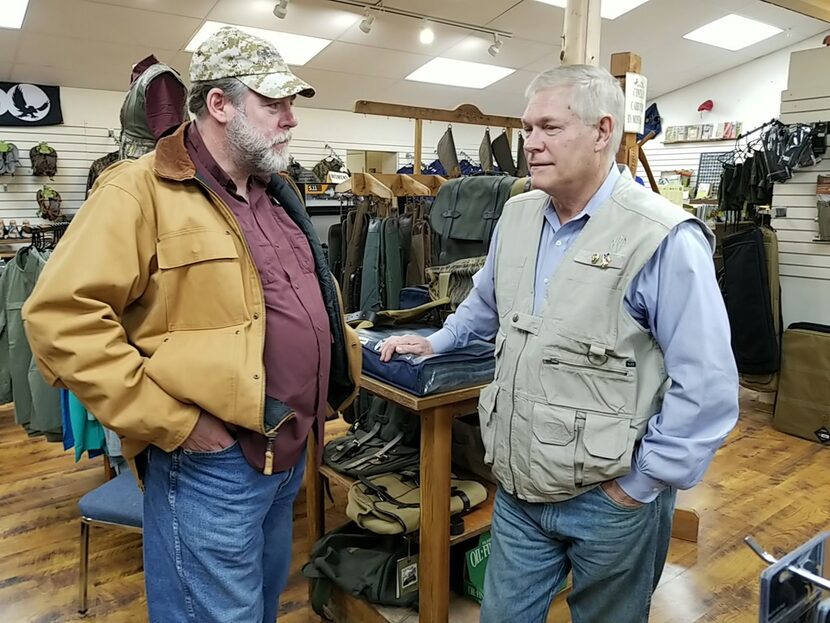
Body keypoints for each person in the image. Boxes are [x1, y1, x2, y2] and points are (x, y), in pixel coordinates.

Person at [380, 65, 739, 623]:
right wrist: (438, 342)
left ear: (602, 132)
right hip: (520, 491)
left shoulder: (662, 238)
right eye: (527, 129)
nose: (532, 144)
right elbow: (484, 302)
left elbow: (709, 386)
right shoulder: (518, 214)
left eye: (549, 127)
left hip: (611, 501)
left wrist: (641, 484)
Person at [23, 26, 358, 623]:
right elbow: (60, 318)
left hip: (288, 454)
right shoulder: (138, 190)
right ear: (219, 105)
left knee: (258, 603)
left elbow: (310, 301)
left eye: (291, 105)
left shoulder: (276, 195)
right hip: (213, 464)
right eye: (273, 103)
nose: (291, 120)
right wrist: (177, 423)